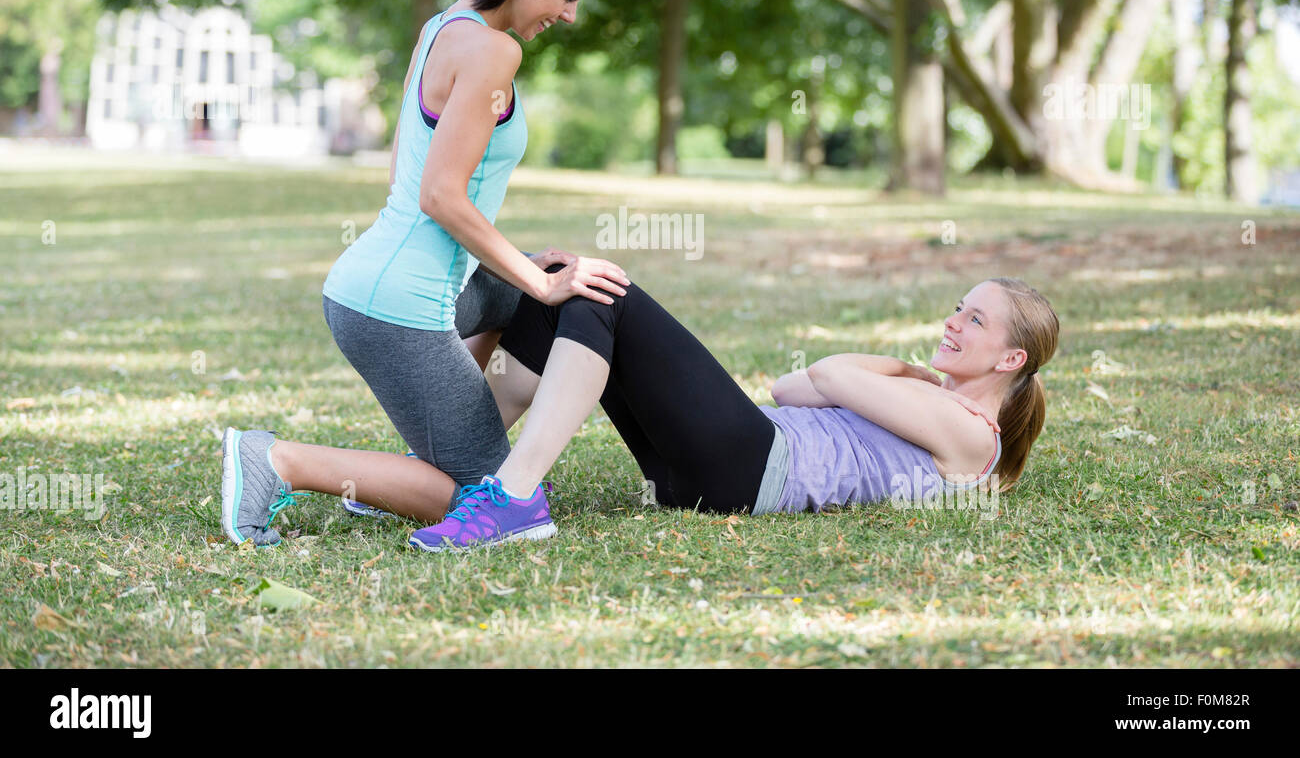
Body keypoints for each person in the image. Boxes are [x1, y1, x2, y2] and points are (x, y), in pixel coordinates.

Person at [219, 0, 630, 547]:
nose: (571, 15)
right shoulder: (496, 51)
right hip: (393, 308)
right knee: (482, 497)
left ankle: (433, 444)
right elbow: (439, 194)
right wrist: (541, 280)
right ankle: (276, 460)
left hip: (390, 282)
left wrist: (518, 274)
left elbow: (409, 167)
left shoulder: (446, 26)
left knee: (513, 297)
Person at [405, 274, 1059, 550]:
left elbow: (828, 374)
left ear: (1010, 361)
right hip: (698, 474)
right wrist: (911, 375)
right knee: (561, 300)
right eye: (958, 308)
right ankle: (456, 464)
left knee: (608, 292)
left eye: (975, 321)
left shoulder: (976, 437)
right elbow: (788, 386)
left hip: (752, 469)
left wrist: (908, 370)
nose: (953, 323)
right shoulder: (936, 406)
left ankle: (513, 501)